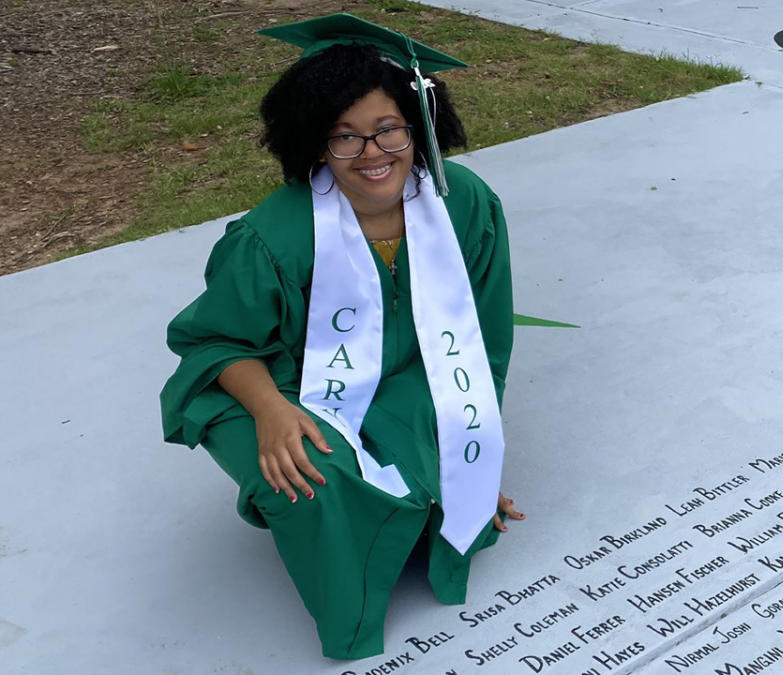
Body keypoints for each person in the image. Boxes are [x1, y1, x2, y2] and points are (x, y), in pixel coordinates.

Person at [159, 13, 523, 660]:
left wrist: (476, 447)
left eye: (388, 128)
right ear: (313, 144)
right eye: (343, 137)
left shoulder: (463, 203)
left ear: (420, 125)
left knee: (447, 485)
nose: (373, 153)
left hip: (408, 373)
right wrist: (271, 411)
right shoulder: (275, 234)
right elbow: (214, 343)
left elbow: (483, 341)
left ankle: (421, 487)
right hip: (277, 386)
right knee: (308, 478)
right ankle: (345, 604)